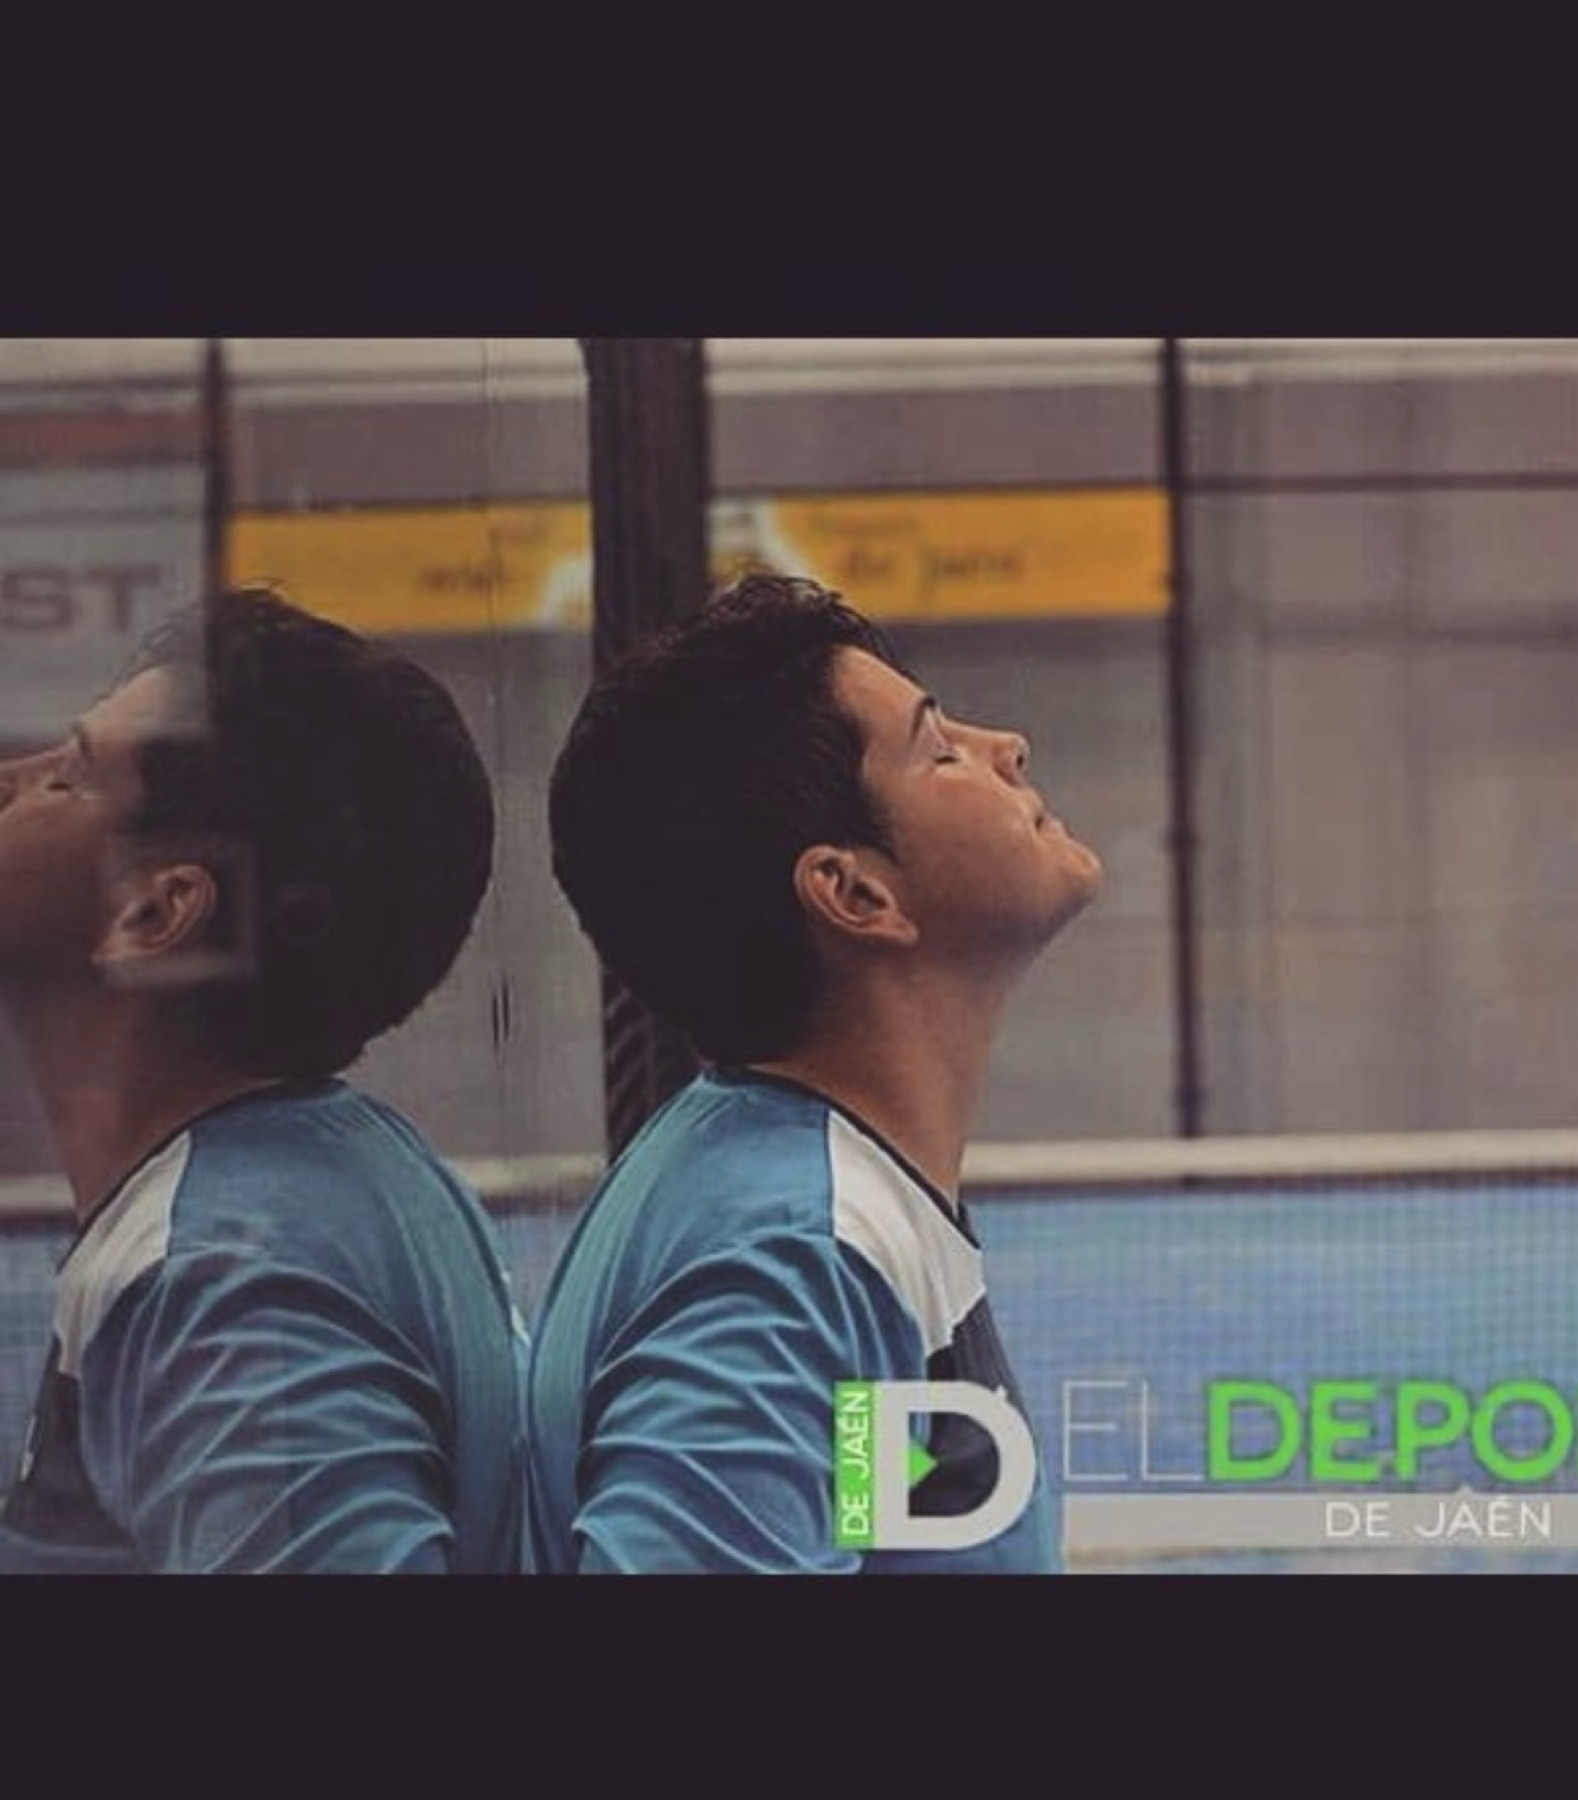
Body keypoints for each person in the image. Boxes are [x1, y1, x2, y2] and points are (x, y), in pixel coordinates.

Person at [530, 573, 1103, 1572]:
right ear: (855, 892)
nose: (1007, 746)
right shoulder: (789, 1260)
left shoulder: (816, 1210)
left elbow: (866, 1528)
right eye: (939, 749)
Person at [0, 586, 523, 1573]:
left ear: (155, 914)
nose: (7, 782)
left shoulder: (225, 1280)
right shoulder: (287, 1189)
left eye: (69, 776)